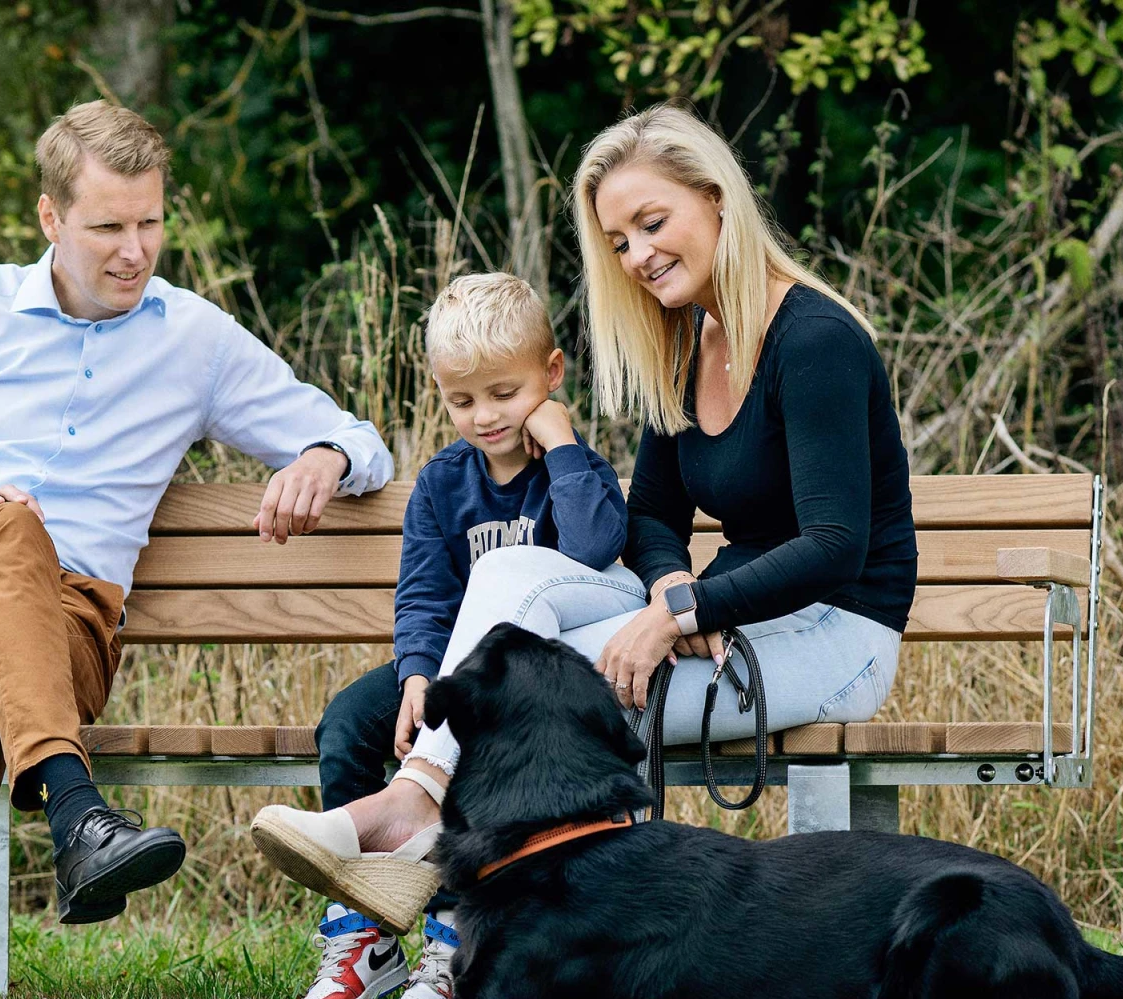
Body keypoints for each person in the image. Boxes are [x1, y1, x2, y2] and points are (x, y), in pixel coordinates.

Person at [250, 102, 917, 930]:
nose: (638, 256)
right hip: (733, 611)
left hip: (836, 634)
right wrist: (674, 584)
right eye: (618, 243)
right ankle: (417, 799)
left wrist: (680, 612)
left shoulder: (814, 340)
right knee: (506, 575)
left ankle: (441, 885)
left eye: (651, 223)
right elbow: (652, 516)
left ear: (716, 198)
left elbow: (835, 546)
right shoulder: (681, 342)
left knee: (538, 699)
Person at [0, 101, 393, 999]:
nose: (135, 251)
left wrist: (324, 462)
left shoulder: (196, 340)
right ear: (50, 219)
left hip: (63, 636)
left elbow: (359, 436)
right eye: (108, 227)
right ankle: (77, 809)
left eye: (151, 223)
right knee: (8, 532)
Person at [257, 273, 627, 999]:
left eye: (505, 392)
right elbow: (423, 593)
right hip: (443, 670)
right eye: (463, 401)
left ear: (552, 376)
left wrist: (560, 442)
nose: (485, 417)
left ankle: (451, 935)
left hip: (524, 689)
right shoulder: (441, 482)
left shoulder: (576, 475)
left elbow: (595, 547)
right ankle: (361, 924)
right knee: (348, 722)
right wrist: (418, 673)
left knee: (482, 752)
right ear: (439, 392)